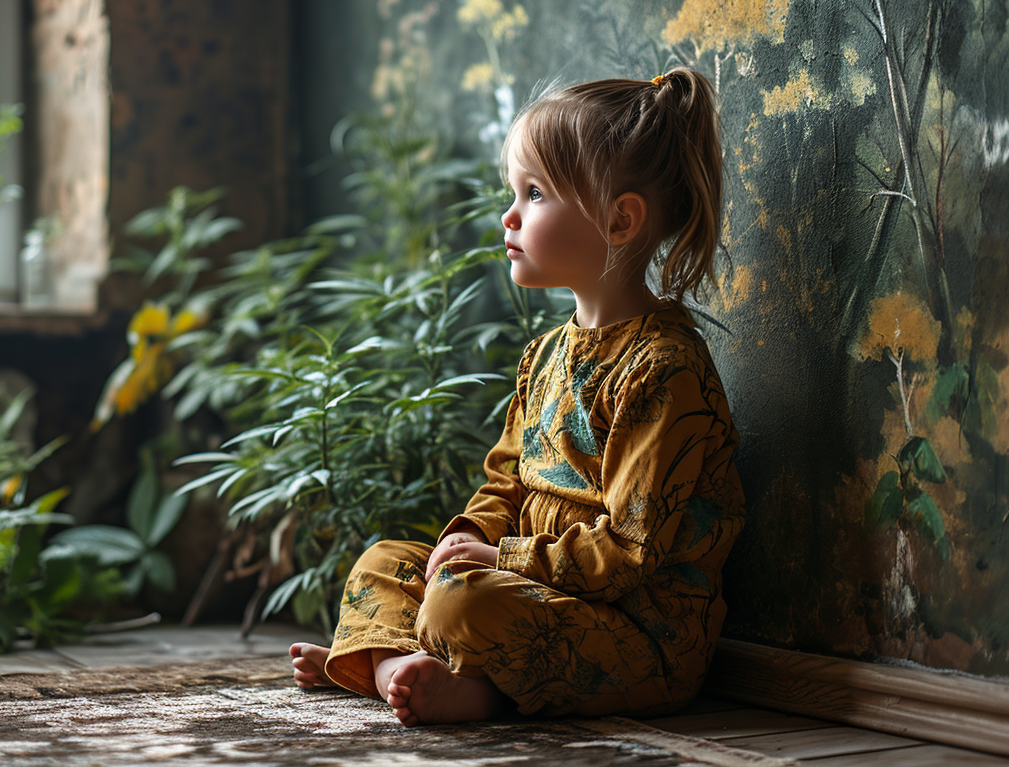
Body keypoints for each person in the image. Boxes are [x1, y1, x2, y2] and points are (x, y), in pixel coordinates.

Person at [289, 66, 745, 727]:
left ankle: (444, 680)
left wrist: (496, 561)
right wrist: (472, 536)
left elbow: (631, 553)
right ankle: (400, 673)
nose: (509, 215)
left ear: (620, 221)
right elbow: (505, 482)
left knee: (458, 603)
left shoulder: (664, 369)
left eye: (534, 194)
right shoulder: (546, 354)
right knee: (383, 562)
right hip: (532, 588)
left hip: (632, 637)